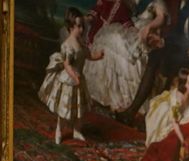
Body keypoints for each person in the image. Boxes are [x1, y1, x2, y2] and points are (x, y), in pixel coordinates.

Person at [84, 0, 168, 112]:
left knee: (115, 41)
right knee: (109, 39)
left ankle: (125, 102)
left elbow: (161, 18)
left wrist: (149, 27)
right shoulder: (136, 4)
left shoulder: (158, 2)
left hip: (145, 36)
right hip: (132, 32)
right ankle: (110, 96)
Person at [38, 9, 104, 144]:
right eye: (78, 26)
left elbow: (88, 55)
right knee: (64, 110)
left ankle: (77, 130)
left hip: (79, 80)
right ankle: (59, 131)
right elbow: (67, 65)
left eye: (82, 26)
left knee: (80, 109)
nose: (81, 29)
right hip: (69, 81)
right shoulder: (68, 45)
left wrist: (99, 56)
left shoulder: (81, 42)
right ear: (70, 27)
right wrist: (74, 76)